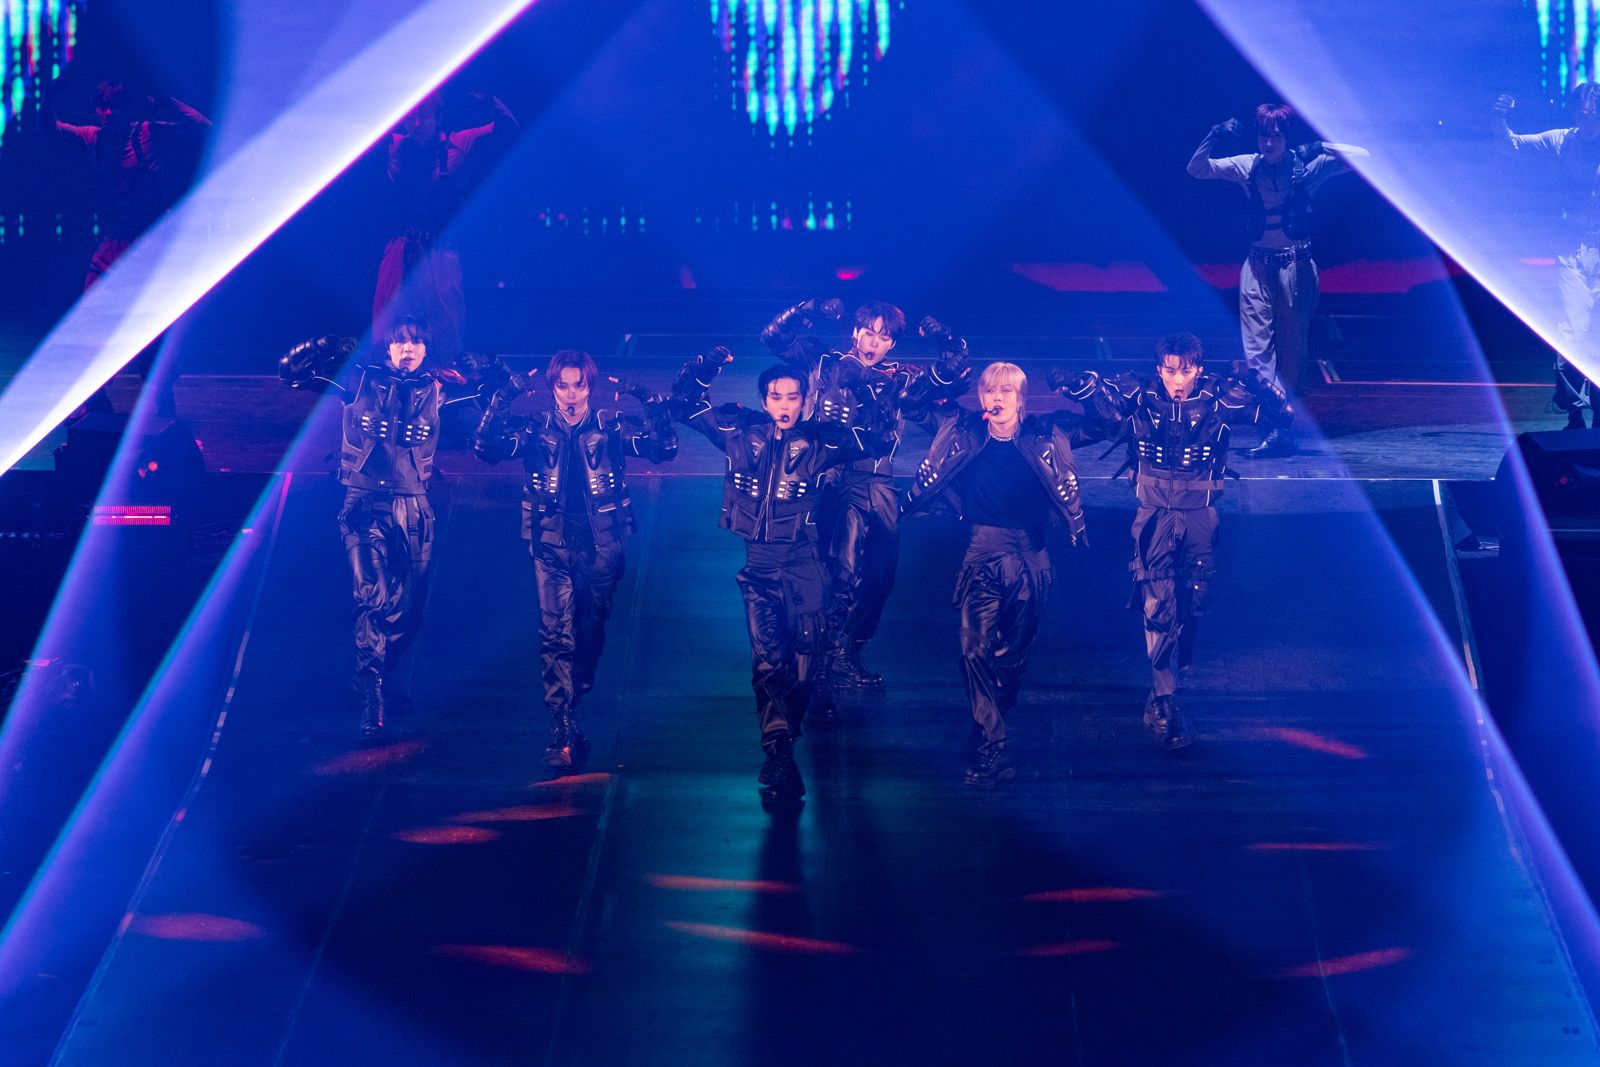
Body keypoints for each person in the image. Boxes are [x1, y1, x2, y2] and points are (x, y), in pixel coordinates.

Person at [1052, 332, 1291, 751]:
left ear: (1198, 369)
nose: (1176, 380)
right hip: (1154, 515)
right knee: (1157, 602)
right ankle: (1165, 698)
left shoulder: (1218, 399)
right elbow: (1106, 412)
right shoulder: (1141, 395)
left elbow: (1280, 418)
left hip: (1200, 514)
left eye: (1185, 371)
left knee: (1194, 600)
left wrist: (1260, 385)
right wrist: (1079, 386)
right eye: (1169, 370)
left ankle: (1172, 676)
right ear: (1159, 368)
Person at [670, 349, 881, 803]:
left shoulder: (823, 441)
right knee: (767, 664)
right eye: (776, 397)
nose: (784, 405)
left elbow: (879, 438)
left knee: (804, 669)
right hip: (759, 569)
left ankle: (787, 736)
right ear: (764, 401)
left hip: (805, 569)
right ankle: (779, 751)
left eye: (792, 397)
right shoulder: (740, 433)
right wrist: (704, 366)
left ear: (805, 401)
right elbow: (684, 405)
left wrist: (862, 386)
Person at [472, 350, 678, 768]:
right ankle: (560, 725)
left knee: (590, 632)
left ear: (589, 387)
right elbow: (486, 448)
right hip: (551, 543)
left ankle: (573, 701)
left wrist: (650, 401)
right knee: (555, 636)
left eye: (578, 385)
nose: (571, 394)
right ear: (552, 388)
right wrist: (502, 398)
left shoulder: (609, 427)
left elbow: (663, 449)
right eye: (562, 385)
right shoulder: (536, 429)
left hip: (602, 544)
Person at [760, 299, 972, 696]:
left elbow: (953, 376)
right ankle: (818, 663)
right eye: (869, 333)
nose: (874, 343)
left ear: (892, 344)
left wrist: (947, 339)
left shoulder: (901, 378)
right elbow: (774, 337)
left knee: (880, 575)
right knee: (839, 573)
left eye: (884, 337)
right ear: (855, 332)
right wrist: (809, 310)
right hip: (832, 479)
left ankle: (845, 654)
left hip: (879, 483)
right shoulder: (824, 364)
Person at [902, 361, 1089, 786]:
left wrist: (1079, 384)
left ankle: (989, 716)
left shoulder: (1046, 434)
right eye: (989, 391)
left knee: (1012, 659)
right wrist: (943, 372)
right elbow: (912, 406)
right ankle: (994, 747)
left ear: (1021, 400)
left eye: (1006, 391)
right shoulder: (964, 431)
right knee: (974, 651)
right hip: (982, 553)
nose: (996, 398)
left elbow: (1104, 423)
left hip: (1031, 555)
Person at [279, 318, 457, 739]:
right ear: (388, 348)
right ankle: (372, 691)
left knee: (409, 607)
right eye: (401, 342)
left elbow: (488, 419)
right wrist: (321, 343)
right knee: (371, 594)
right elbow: (290, 374)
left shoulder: (439, 389)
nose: (408, 349)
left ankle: (373, 673)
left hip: (413, 507)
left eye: (416, 342)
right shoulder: (358, 382)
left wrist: (497, 384)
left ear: (426, 349)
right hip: (363, 503)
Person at [1188, 103, 1365, 456]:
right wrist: (1214, 134)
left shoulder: (1307, 167)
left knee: (1292, 352)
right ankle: (1274, 427)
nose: (1268, 143)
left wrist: (1319, 146)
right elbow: (1197, 168)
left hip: (1295, 269)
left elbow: (1363, 156)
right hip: (1256, 267)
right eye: (1263, 135)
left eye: (1276, 136)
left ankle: (1285, 426)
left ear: (1287, 137)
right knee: (1257, 354)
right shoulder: (1248, 165)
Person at [52, 80, 210, 417]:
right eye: (103, 107)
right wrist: (49, 99)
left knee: (145, 327)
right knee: (91, 318)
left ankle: (163, 399)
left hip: (147, 246)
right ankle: (96, 400)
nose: (109, 113)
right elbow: (51, 129)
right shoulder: (95, 137)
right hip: (114, 243)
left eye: (115, 107)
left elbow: (201, 126)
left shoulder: (146, 132)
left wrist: (167, 100)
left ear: (126, 110)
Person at [372, 91, 518, 368]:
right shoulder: (396, 145)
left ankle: (445, 382)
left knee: (445, 328)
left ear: (438, 118)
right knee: (387, 322)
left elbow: (508, 128)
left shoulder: (457, 143)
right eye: (411, 118)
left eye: (424, 117)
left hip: (438, 253)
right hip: (400, 249)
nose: (416, 124)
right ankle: (387, 380)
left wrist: (489, 101)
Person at [1492, 86, 1600, 429]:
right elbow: (1511, 143)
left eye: (1593, 113)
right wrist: (1499, 118)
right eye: (1582, 112)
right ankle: (1573, 412)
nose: (1587, 118)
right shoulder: (1561, 141)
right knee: (1572, 332)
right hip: (1573, 250)